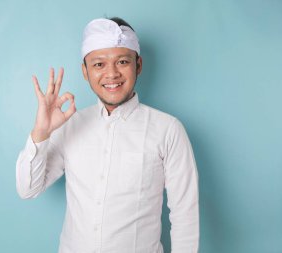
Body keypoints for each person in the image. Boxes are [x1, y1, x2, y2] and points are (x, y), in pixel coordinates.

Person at [16, 17, 199, 253]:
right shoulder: (71, 125)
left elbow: (186, 214)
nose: (111, 74)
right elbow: (28, 189)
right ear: (85, 71)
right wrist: (41, 132)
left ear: (138, 65)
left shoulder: (168, 129)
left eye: (122, 61)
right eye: (99, 64)